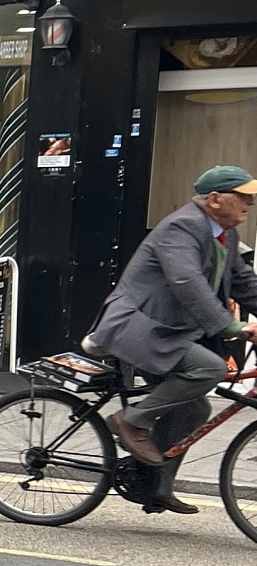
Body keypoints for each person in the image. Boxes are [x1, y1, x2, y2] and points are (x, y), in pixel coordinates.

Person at [90, 165, 257, 516]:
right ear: (214, 200)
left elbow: (247, 287)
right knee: (209, 368)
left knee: (194, 407)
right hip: (138, 328)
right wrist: (231, 327)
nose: (250, 204)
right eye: (243, 197)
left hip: (168, 334)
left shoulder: (223, 236)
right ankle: (132, 420)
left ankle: (154, 487)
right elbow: (187, 283)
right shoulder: (182, 227)